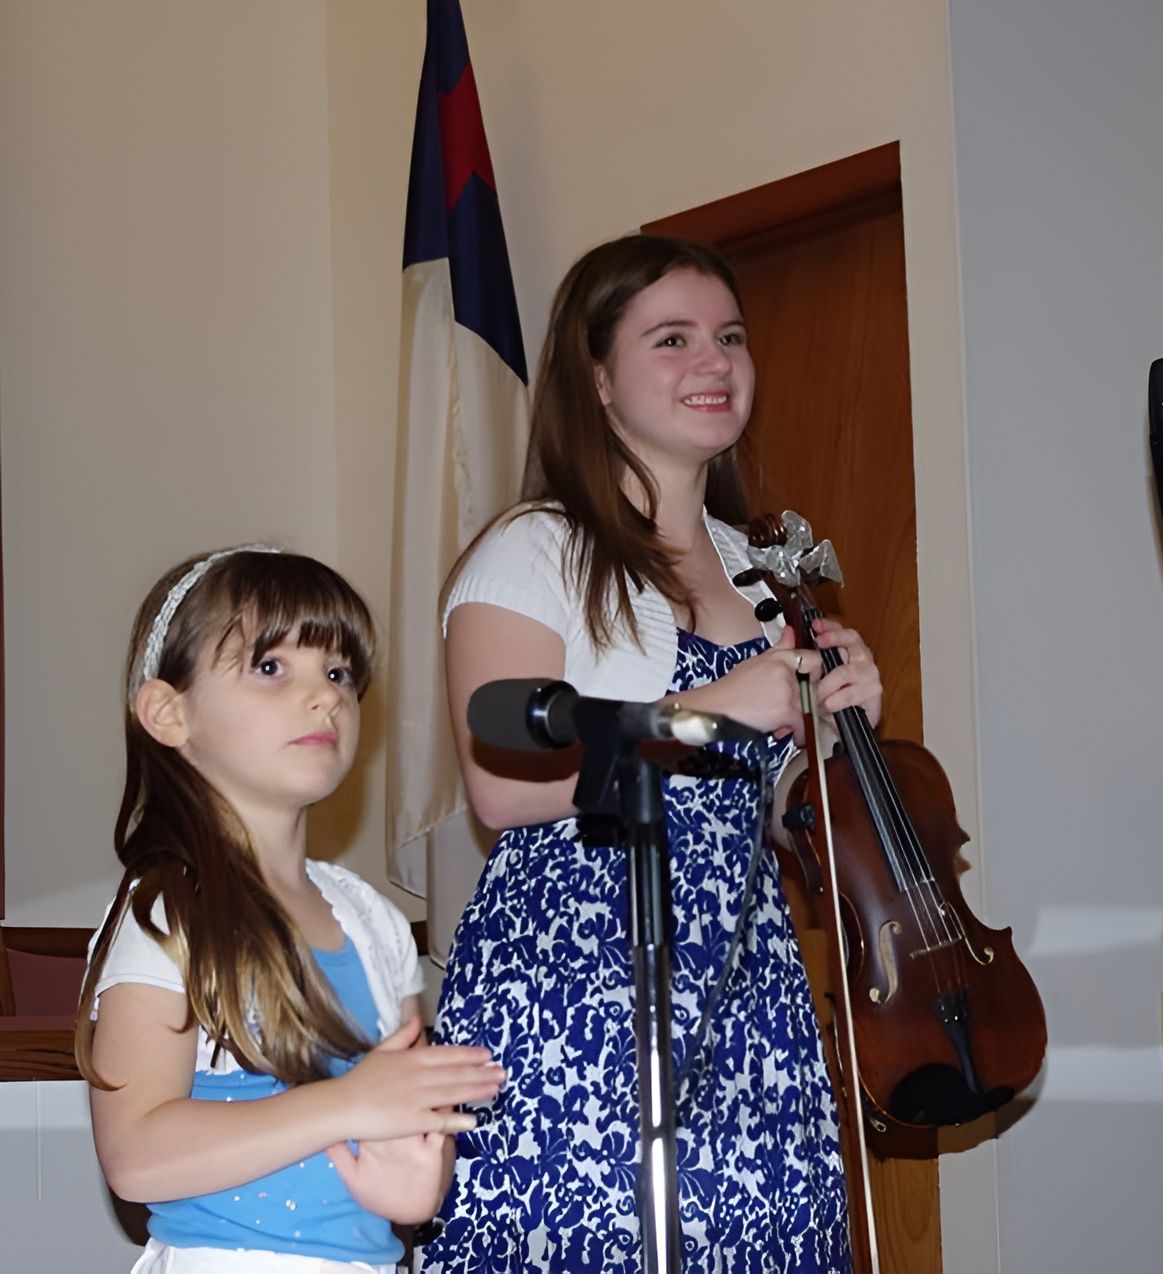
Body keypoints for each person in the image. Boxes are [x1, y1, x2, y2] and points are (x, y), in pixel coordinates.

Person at [423, 234, 882, 1272]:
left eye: (728, 336)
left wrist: (837, 726)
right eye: (670, 338)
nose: (712, 362)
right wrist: (723, 702)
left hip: (744, 983)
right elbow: (502, 785)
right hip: (579, 993)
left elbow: (766, 814)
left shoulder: (761, 574)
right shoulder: (533, 548)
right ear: (596, 377)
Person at [78, 546, 505, 1274]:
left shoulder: (371, 920)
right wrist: (348, 1107)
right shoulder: (168, 913)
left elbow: (396, 1124)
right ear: (168, 714)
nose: (326, 696)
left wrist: (418, 1180)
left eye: (339, 673)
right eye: (272, 667)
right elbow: (136, 1155)